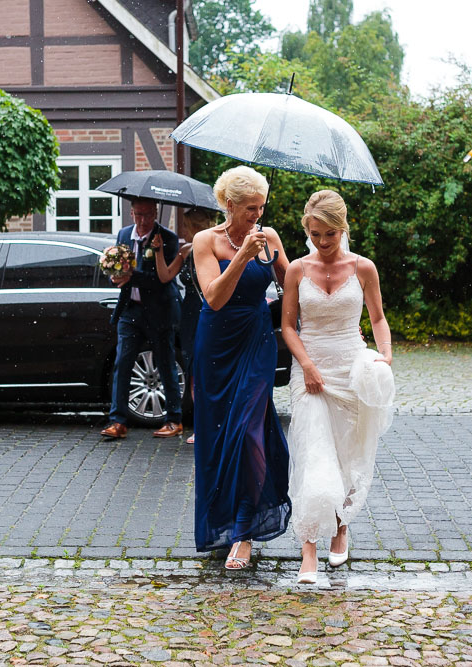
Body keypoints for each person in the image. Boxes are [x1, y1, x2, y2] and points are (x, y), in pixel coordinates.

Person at [281, 189, 395, 584]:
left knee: (347, 454)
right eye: (314, 234)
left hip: (350, 370)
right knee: (314, 454)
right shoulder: (296, 269)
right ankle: (308, 548)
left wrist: (385, 354)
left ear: (342, 229)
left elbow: (378, 318)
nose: (322, 242)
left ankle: (341, 527)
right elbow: (287, 327)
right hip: (309, 371)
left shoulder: (364, 268)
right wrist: (308, 366)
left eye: (328, 234)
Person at [190, 166, 291, 570]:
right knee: (217, 439)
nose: (257, 215)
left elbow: (294, 283)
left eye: (262, 207)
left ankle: (245, 531)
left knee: (249, 433)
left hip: (255, 342)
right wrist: (243, 256)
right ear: (229, 205)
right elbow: (214, 297)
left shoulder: (270, 238)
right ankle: (221, 525)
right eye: (250, 207)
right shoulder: (204, 241)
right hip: (215, 344)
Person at [101, 198, 184, 440]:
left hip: (159, 312)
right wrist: (115, 277)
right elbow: (116, 268)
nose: (143, 220)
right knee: (123, 362)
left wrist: (131, 276)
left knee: (166, 363)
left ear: (156, 213)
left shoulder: (166, 238)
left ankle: (173, 419)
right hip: (130, 310)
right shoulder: (124, 234)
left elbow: (161, 279)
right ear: (131, 213)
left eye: (148, 215)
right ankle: (118, 421)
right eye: (138, 214)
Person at [151, 207, 217, 445]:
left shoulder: (215, 248)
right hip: (189, 315)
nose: (188, 231)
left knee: (208, 369)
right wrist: (158, 251)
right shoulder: (186, 250)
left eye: (191, 227)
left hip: (209, 311)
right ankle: (201, 426)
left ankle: (213, 425)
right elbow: (165, 276)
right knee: (192, 370)